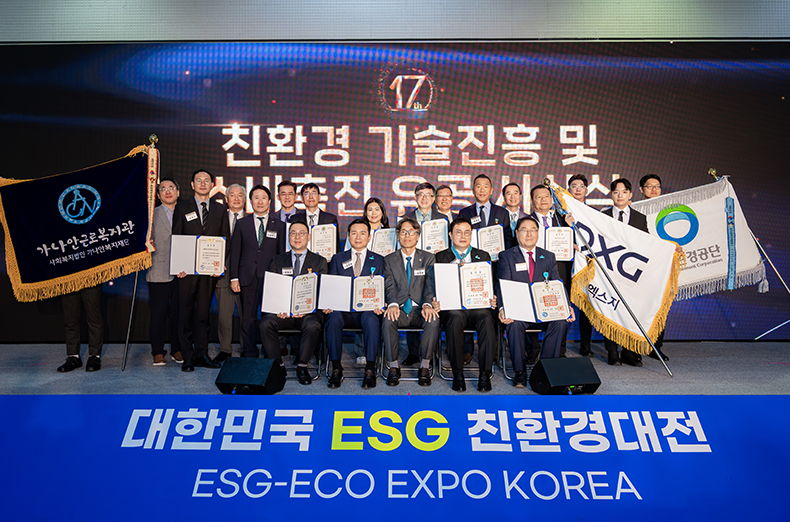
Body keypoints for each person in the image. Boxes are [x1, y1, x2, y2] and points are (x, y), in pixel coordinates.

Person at [498, 216, 575, 387]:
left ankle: (545, 370)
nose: (529, 234)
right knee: (514, 323)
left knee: (560, 321)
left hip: (545, 308)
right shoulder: (506, 256)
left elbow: (557, 284)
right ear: (516, 233)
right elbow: (502, 285)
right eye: (524, 230)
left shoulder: (548, 256)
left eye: (532, 230)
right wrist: (503, 308)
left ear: (538, 233)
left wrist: (566, 306)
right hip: (519, 309)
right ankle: (520, 372)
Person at [172, 169, 229, 372]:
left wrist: (220, 263)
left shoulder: (220, 209)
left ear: (212, 184)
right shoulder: (181, 208)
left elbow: (225, 238)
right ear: (192, 184)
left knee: (203, 314)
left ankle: (201, 354)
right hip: (186, 271)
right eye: (198, 180)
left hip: (209, 270)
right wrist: (178, 265)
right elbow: (176, 237)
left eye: (206, 181)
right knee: (185, 313)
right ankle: (188, 357)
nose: (203, 184)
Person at [259, 220, 328, 384]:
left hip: (308, 313)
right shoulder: (277, 260)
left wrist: (306, 309)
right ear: (288, 237)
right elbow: (273, 289)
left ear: (308, 237)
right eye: (293, 233)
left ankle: (302, 366)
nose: (297, 237)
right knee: (265, 323)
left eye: (301, 233)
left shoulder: (319, 261)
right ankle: (278, 365)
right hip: (283, 313)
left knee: (313, 325)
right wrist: (278, 308)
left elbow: (322, 291)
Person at [433, 217, 497, 392]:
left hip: (477, 307)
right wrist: (434, 301)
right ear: (450, 235)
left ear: (471, 235)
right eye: (458, 232)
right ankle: (458, 373)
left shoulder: (482, 256)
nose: (463, 236)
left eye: (467, 232)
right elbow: (435, 284)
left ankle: (485, 374)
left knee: (486, 319)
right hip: (452, 308)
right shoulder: (440, 257)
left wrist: (493, 298)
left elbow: (491, 284)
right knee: (454, 319)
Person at [324, 219, 386, 389]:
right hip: (343, 310)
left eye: (362, 233)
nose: (358, 237)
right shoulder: (338, 259)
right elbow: (332, 286)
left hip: (367, 311)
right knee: (333, 318)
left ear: (369, 236)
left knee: (372, 319)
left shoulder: (378, 260)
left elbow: (382, 287)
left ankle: (370, 369)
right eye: (354, 233)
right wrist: (328, 303)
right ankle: (336, 367)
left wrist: (381, 303)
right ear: (348, 236)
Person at [382, 217, 441, 387]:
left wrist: (427, 304)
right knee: (387, 319)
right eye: (403, 232)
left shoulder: (428, 258)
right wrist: (392, 304)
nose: (407, 235)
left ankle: (424, 367)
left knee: (433, 319)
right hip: (399, 309)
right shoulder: (389, 259)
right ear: (398, 236)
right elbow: (389, 285)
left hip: (419, 309)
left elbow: (430, 284)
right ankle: (394, 367)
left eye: (411, 232)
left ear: (417, 236)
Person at [229, 184, 286, 359]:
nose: (260, 201)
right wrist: (234, 277)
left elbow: (281, 255)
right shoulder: (242, 223)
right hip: (247, 277)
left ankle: (270, 352)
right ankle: (249, 352)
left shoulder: (280, 225)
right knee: (248, 317)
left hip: (271, 278)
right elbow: (235, 252)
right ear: (250, 201)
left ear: (270, 201)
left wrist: (282, 280)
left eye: (263, 198)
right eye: (256, 198)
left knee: (270, 318)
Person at [601, 178, 648, 366]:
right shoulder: (602, 216)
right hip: (609, 271)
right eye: (616, 192)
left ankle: (629, 351)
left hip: (632, 273)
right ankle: (612, 351)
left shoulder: (640, 218)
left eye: (624, 192)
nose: (620, 195)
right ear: (611, 195)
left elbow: (647, 244)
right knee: (610, 310)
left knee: (631, 312)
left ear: (630, 194)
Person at [530, 183, 573, 357]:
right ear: (532, 201)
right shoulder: (526, 222)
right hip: (533, 269)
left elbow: (572, 243)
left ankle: (559, 351)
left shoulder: (562, 220)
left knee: (560, 309)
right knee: (533, 309)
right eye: (538, 197)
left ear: (552, 199)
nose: (543, 200)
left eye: (546, 196)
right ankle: (532, 351)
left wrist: (571, 228)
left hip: (559, 270)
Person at [146, 178, 182, 366]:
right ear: (158, 195)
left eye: (171, 188)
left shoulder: (186, 213)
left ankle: (177, 348)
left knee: (179, 313)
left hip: (183, 271)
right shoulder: (151, 215)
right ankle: (158, 351)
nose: (168, 191)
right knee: (158, 314)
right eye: (163, 189)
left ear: (178, 192)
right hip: (158, 270)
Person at [638, 174, 670, 361]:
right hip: (641, 264)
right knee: (640, 305)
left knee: (661, 305)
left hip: (662, 263)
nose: (654, 189)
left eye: (657, 186)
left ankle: (656, 346)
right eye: (649, 186)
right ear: (641, 189)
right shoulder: (635, 210)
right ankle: (637, 344)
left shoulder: (669, 209)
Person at [213, 183, 245, 364]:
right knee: (224, 316)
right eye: (232, 195)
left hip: (246, 276)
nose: (236, 198)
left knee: (246, 315)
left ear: (245, 199)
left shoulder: (252, 220)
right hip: (223, 273)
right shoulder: (218, 219)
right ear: (226, 199)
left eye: (240, 195)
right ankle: (225, 349)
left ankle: (245, 347)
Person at [566, 174, 594, 357]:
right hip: (565, 263)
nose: (577, 189)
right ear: (568, 190)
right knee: (563, 302)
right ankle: (560, 345)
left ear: (586, 190)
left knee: (586, 306)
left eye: (581, 186)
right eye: (574, 186)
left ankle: (586, 345)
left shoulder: (594, 214)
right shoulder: (561, 212)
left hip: (586, 264)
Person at [57, 284, 104, 372]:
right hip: (69, 278)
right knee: (70, 317)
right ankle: (73, 356)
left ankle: (94, 356)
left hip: (90, 277)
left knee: (93, 317)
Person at [292, 182, 340, 260]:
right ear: (302, 198)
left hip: (324, 262)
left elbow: (336, 246)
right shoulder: (294, 219)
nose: (310, 197)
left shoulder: (330, 219)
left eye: (314, 193)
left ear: (319, 197)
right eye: (307, 194)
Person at [502, 182, 527, 248]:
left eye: (515, 193)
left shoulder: (527, 218)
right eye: (509, 194)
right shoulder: (498, 217)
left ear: (520, 196)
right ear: (504, 197)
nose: (512, 197)